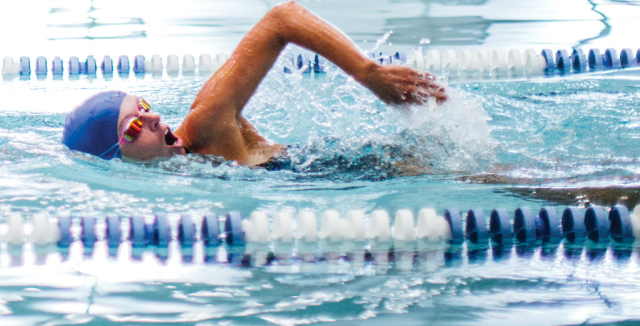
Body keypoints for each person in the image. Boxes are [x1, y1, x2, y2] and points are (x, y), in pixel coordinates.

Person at [62, 1, 447, 168]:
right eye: (134, 126)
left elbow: (282, 18)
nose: (155, 117)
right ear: (115, 158)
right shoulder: (189, 170)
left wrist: (369, 74)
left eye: (144, 107)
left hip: (388, 167)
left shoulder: (204, 125)